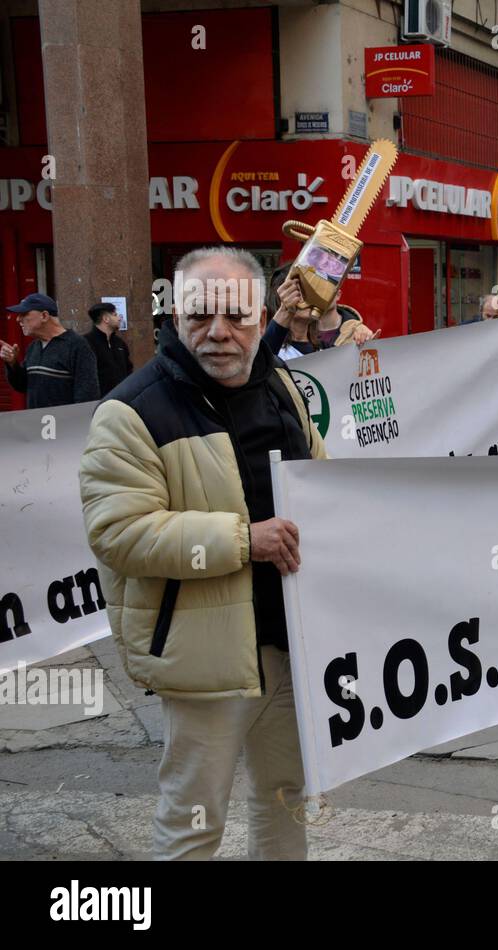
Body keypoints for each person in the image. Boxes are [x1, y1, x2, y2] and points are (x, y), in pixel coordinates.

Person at [78, 246, 326, 859]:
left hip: (290, 641)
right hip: (205, 654)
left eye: (236, 315)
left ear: (260, 312)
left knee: (286, 796)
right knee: (193, 818)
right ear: (174, 314)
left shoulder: (284, 388)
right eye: (199, 314)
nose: (217, 331)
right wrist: (245, 540)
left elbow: (321, 482)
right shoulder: (132, 411)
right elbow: (120, 532)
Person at [2, 293, 99, 408]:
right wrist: (13, 364)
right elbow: (22, 386)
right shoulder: (34, 347)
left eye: (24, 314)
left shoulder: (77, 345)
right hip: (37, 423)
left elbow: (87, 396)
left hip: (65, 424)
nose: (18, 319)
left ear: (44, 316)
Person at [265, 265, 375, 359]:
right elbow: (259, 363)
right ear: (282, 298)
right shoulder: (273, 350)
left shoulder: (323, 348)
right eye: (299, 291)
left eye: (312, 290)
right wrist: (285, 311)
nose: (309, 298)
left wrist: (361, 342)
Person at [84, 302, 134, 397]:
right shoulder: (86, 343)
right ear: (106, 319)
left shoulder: (120, 343)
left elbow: (129, 370)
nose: (119, 318)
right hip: (99, 403)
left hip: (122, 399)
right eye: (115, 315)